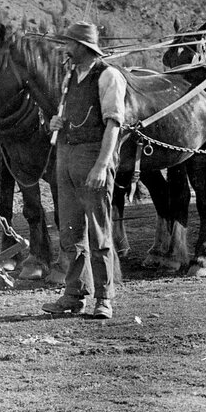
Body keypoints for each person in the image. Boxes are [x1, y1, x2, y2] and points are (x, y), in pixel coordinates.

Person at [44, 21, 127, 320]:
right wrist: (56, 123)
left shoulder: (108, 76)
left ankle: (104, 299)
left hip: (93, 156)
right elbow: (67, 115)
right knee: (70, 231)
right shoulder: (70, 77)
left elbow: (113, 124)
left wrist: (102, 165)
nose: (66, 48)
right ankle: (74, 294)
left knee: (99, 233)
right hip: (65, 156)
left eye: (70, 43)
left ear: (83, 47)